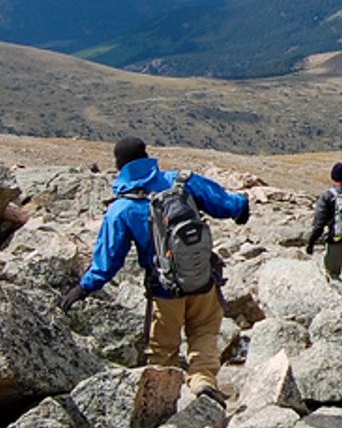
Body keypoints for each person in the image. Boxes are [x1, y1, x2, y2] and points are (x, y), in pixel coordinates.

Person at [59, 136, 249, 391]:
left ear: (119, 165)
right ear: (146, 155)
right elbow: (225, 203)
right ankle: (203, 379)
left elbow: (108, 260)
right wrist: (242, 206)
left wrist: (83, 288)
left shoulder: (122, 208)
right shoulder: (181, 182)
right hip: (203, 279)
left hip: (165, 289)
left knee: (163, 349)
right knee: (204, 331)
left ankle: (163, 403)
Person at [304, 161, 342, 285]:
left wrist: (311, 243)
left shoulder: (327, 196)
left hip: (336, 244)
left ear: (333, 177)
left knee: (333, 278)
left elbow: (319, 224)